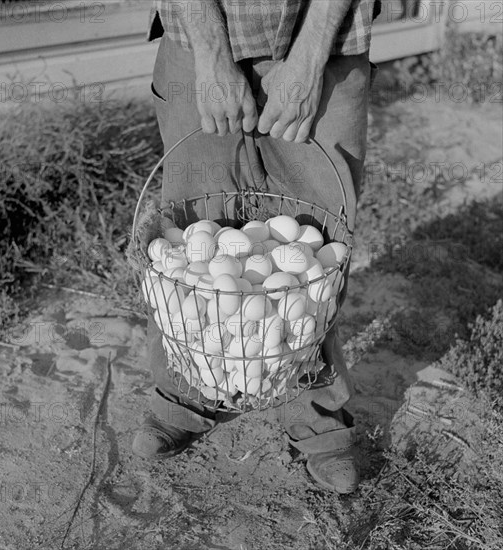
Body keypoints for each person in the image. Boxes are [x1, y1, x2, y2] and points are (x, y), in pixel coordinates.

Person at [132, 0, 380, 495]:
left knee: (315, 247)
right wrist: (211, 53)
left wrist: (310, 59)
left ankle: (317, 417)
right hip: (197, 39)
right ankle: (186, 395)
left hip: (325, 40)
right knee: (194, 237)